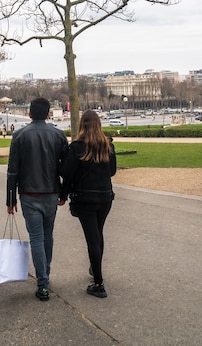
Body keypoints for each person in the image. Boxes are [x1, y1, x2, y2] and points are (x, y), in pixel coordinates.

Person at [6, 97, 68, 302]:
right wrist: (64, 193)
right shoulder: (58, 135)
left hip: (29, 193)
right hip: (50, 191)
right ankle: (45, 275)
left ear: (29, 114)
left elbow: (12, 170)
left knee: (36, 238)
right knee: (47, 235)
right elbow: (65, 169)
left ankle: (43, 282)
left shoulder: (19, 135)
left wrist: (10, 199)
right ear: (49, 113)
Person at [61, 110, 116, 298]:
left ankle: (99, 283)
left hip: (85, 197)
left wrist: (62, 194)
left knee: (92, 238)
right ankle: (95, 267)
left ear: (82, 124)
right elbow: (112, 171)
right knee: (98, 234)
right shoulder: (107, 145)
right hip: (105, 196)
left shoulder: (77, 147)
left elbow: (67, 174)